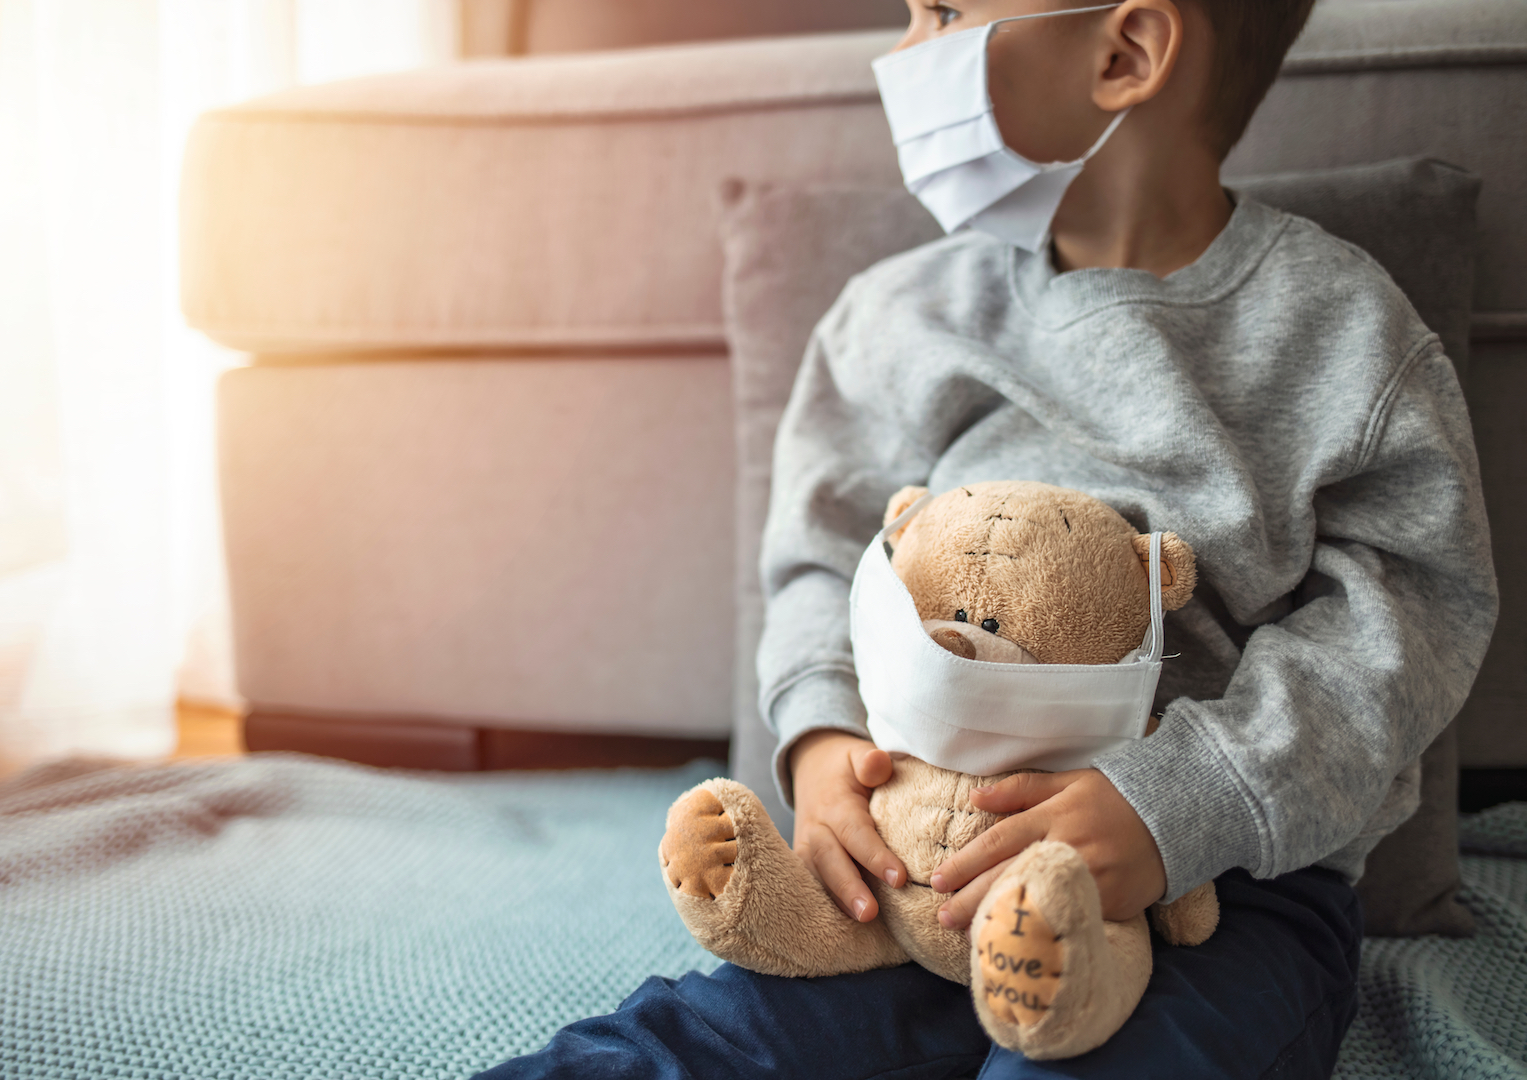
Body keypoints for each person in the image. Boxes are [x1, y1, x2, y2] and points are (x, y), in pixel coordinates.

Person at [479, 0, 1498, 1076]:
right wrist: (824, 748)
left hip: (1226, 902)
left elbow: (1405, 628)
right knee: (697, 1048)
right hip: (907, 872)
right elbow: (825, 563)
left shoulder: (1342, 332)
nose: (903, 51)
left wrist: (1180, 806)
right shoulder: (896, 319)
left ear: (1126, 53)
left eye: (945, 12)